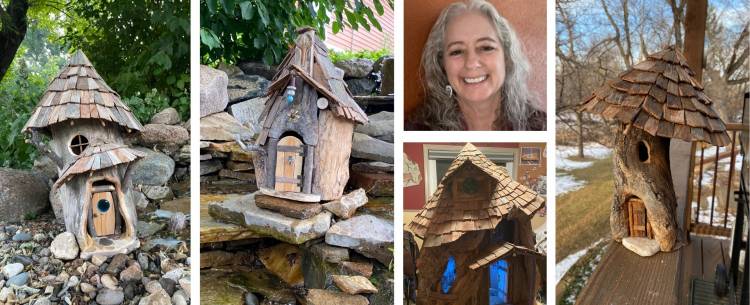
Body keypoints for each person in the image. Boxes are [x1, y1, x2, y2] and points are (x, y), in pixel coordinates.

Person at [406, 0, 546, 131]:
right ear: (442, 65)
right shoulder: (416, 129)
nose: (472, 63)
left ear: (507, 56)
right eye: (457, 51)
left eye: (486, 47)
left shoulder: (541, 128)